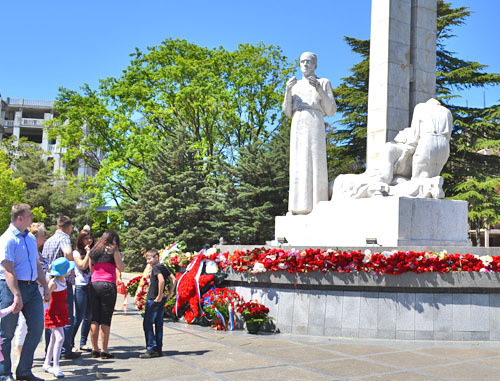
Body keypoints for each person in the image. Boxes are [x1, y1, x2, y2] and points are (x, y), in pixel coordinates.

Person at [283, 52, 337, 215]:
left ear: (315, 65)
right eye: (302, 62)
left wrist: (320, 90)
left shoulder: (323, 82)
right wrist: (287, 90)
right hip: (298, 122)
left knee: (315, 162)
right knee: (298, 164)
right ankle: (297, 206)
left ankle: (316, 205)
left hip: (315, 121)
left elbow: (331, 110)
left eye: (309, 62)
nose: (305, 64)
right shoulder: (295, 85)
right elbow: (287, 112)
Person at [0, 204, 49, 381]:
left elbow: (36, 264)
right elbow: (8, 269)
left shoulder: (29, 238)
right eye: (29, 215)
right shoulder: (7, 239)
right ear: (20, 218)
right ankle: (4, 373)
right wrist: (16, 295)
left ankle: (24, 370)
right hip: (11, 287)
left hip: (32, 287)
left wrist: (44, 284)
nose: (32, 218)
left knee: (36, 328)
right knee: (7, 333)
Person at [41, 216, 80, 360]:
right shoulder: (64, 238)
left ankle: (49, 351)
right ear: (68, 227)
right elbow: (68, 252)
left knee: (50, 315)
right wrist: (69, 267)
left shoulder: (49, 241)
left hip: (49, 280)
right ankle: (64, 350)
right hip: (62, 281)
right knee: (65, 315)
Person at [13, 223, 48, 367]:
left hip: (39, 293)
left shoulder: (38, 253)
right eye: (43, 235)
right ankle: (20, 357)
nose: (45, 237)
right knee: (23, 325)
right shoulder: (26, 252)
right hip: (27, 290)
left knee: (36, 327)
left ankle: (28, 358)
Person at [88, 231, 125, 359]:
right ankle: (104, 350)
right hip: (108, 284)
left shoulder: (94, 250)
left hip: (94, 284)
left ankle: (94, 349)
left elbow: (91, 269)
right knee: (105, 317)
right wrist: (116, 253)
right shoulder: (113, 250)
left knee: (94, 317)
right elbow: (121, 267)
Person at [139, 250, 176, 359]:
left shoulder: (156, 267)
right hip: (161, 299)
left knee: (147, 323)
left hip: (154, 299)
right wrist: (170, 293)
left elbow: (161, 281)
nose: (148, 261)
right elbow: (173, 279)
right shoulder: (163, 266)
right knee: (158, 324)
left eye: (150, 258)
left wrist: (159, 296)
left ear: (156, 257)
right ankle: (158, 348)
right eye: (147, 259)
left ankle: (151, 348)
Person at [43, 257, 75, 378]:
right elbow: (46, 297)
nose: (70, 271)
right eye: (68, 269)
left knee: (53, 339)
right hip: (53, 313)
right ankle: (56, 365)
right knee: (60, 338)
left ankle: (47, 363)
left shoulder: (64, 281)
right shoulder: (53, 283)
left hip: (61, 311)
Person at [71, 230, 94, 352]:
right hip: (81, 286)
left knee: (89, 316)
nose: (89, 240)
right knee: (79, 316)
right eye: (86, 238)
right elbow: (82, 266)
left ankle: (83, 342)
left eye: (90, 238)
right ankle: (70, 342)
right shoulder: (76, 253)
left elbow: (92, 268)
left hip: (91, 285)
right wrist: (88, 253)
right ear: (81, 240)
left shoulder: (92, 251)